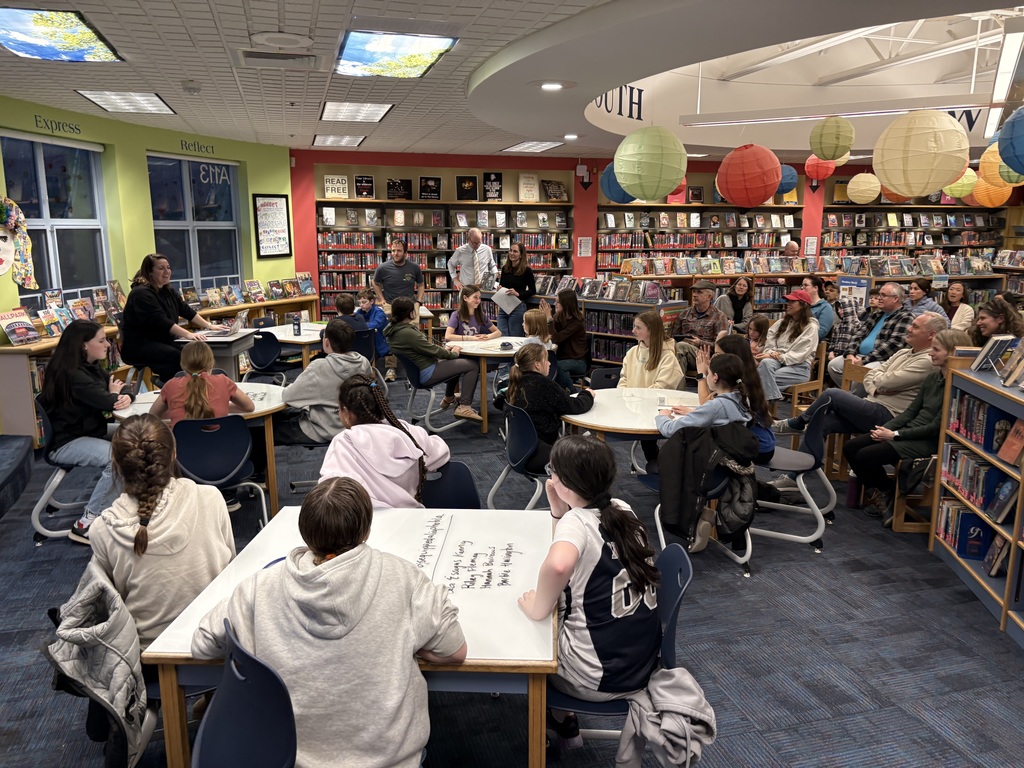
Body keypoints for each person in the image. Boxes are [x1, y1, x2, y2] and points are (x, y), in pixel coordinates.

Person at [192, 477, 467, 768]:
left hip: (291, 757)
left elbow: (202, 645)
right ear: (366, 530)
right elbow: (455, 650)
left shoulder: (258, 588)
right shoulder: (405, 580)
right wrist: (413, 643)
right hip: (388, 760)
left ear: (306, 532)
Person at [517, 436, 659, 749]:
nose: (549, 475)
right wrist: (558, 512)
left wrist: (537, 609)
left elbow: (558, 566)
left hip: (594, 678)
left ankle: (560, 719)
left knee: (530, 635)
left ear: (564, 481)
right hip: (641, 667)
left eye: (552, 470)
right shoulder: (622, 509)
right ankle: (564, 720)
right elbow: (582, 549)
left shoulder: (577, 521)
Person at [88, 413, 235, 648]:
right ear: (174, 453)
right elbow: (230, 569)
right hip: (216, 640)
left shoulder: (101, 530)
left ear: (115, 463)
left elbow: (113, 604)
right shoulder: (210, 498)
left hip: (150, 650)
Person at [771, 312, 949, 490]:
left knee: (832, 393)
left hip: (890, 416)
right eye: (911, 324)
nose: (909, 328)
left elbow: (885, 380)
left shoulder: (927, 361)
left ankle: (797, 423)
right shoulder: (903, 352)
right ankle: (794, 478)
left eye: (916, 326)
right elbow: (870, 375)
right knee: (822, 421)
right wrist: (878, 386)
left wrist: (880, 383)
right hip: (872, 405)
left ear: (931, 335)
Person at [843, 329, 973, 524]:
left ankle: (887, 495)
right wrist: (884, 429)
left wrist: (894, 434)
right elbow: (911, 412)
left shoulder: (957, 386)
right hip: (909, 429)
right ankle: (887, 492)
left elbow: (936, 428)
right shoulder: (934, 377)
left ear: (953, 353)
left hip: (926, 440)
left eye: (936, 350)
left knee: (865, 455)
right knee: (851, 447)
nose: (930, 353)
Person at [38, 320, 134, 544]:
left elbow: (118, 389)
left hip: (88, 430)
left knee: (139, 436)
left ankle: (126, 503)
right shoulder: (73, 375)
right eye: (101, 341)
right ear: (83, 345)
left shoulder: (89, 366)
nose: (108, 345)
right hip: (67, 441)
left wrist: (122, 394)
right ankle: (86, 524)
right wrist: (113, 395)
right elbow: (108, 401)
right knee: (118, 458)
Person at [319, 374, 450, 507]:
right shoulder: (407, 432)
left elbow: (330, 491)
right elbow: (441, 452)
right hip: (412, 517)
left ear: (346, 414)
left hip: (365, 522)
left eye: (338, 410)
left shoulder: (344, 443)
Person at [120, 253, 224, 382]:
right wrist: (188, 334)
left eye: (168, 268)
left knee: (193, 354)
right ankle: (171, 387)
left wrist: (209, 325)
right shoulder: (141, 293)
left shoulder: (167, 290)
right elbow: (160, 321)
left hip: (162, 341)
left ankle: (191, 387)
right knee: (179, 357)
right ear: (150, 272)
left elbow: (185, 310)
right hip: (140, 346)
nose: (166, 272)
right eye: (161, 268)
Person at [272, 319, 372, 444]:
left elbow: (288, 396)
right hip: (355, 423)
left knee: (268, 429)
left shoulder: (319, 367)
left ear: (326, 342)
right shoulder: (364, 362)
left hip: (325, 429)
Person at [384, 296, 482, 421]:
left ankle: (449, 398)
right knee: (472, 365)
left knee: (454, 363)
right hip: (427, 372)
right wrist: (454, 353)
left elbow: (425, 349)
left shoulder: (394, 330)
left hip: (419, 371)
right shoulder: (408, 333)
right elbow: (434, 351)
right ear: (411, 313)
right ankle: (464, 406)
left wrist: (447, 354)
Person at [506, 344, 595, 473]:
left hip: (517, 449)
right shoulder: (543, 384)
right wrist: (587, 394)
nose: (549, 364)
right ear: (537, 364)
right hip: (537, 452)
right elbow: (575, 406)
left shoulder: (516, 382)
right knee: (589, 454)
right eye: (546, 360)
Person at [618, 310, 683, 471]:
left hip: (655, 410)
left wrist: (636, 400)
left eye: (638, 328)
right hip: (632, 408)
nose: (633, 331)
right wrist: (624, 397)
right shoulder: (633, 352)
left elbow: (661, 388)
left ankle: (662, 471)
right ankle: (657, 468)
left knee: (648, 443)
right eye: (634, 326)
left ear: (651, 331)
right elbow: (623, 379)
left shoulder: (667, 356)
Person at [150, 340, 254, 427]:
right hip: (221, 448)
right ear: (211, 363)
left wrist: (178, 409)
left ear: (182, 365)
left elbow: (153, 415)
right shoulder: (223, 381)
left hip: (183, 450)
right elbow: (249, 407)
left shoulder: (171, 385)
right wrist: (223, 405)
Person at [827, 282, 913, 385]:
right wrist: (850, 354)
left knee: (862, 374)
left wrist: (864, 360)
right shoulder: (877, 314)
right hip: (859, 356)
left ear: (895, 299)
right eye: (879, 295)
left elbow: (894, 345)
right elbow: (858, 335)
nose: (879, 298)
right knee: (833, 365)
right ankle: (851, 395)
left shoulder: (905, 317)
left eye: (883, 295)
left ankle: (855, 397)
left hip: (883, 361)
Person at [656, 354, 755, 440]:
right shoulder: (742, 398)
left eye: (708, 373)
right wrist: (695, 412)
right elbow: (718, 415)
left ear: (715, 377)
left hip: (709, 459)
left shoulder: (715, 407)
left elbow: (670, 430)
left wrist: (663, 416)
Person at [712, 335, 776, 464]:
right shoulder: (749, 376)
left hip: (755, 447)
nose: (714, 358)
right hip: (765, 443)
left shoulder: (738, 387)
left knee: (702, 438)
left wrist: (702, 374)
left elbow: (710, 409)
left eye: (718, 354)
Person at [373, 239, 425, 382]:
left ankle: (416, 366)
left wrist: (419, 301)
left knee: (414, 337)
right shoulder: (383, 268)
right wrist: (382, 300)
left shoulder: (414, 268)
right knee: (391, 337)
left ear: (406, 253)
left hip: (410, 306)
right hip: (391, 306)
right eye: (393, 250)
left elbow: (421, 284)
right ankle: (391, 368)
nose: (395, 253)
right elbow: (375, 283)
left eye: (399, 251)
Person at [756, 290, 819, 402]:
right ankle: (769, 402)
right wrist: (771, 353)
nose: (788, 304)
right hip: (777, 361)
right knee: (765, 364)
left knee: (758, 378)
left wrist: (778, 356)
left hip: (798, 367)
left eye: (792, 301)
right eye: (788, 301)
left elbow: (799, 355)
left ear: (803, 305)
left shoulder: (811, 327)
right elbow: (770, 338)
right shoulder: (781, 322)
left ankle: (763, 407)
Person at [671, 280, 729, 378]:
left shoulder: (719, 316)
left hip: (705, 355)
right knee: (674, 349)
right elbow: (673, 335)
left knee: (681, 347)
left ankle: (674, 388)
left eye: (699, 292)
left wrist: (700, 343)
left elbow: (721, 346)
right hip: (682, 351)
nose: (694, 295)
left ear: (709, 297)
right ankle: (675, 387)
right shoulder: (685, 313)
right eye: (694, 292)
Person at [541, 290, 588, 388]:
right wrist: (544, 318)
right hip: (561, 358)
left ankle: (570, 393)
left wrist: (549, 319)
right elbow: (549, 335)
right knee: (543, 364)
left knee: (558, 367)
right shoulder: (558, 317)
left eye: (558, 302)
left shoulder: (577, 323)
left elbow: (555, 339)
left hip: (578, 361)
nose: (555, 304)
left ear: (566, 304)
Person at [496, 242, 536, 338]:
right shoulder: (505, 268)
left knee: (515, 338)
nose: (512, 253)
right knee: (501, 337)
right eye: (510, 250)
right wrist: (500, 288)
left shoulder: (526, 270)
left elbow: (532, 290)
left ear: (521, 255)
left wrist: (518, 294)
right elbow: (502, 285)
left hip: (517, 306)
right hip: (504, 306)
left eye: (515, 251)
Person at [356, 288, 391, 376]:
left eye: (364, 302)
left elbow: (375, 325)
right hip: (366, 341)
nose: (361, 305)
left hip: (380, 342)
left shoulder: (379, 312)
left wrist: (360, 326)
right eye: (359, 303)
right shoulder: (359, 312)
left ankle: (368, 374)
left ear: (372, 301)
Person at [828, 290, 866, 361]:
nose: (839, 311)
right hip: (834, 356)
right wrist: (831, 353)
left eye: (842, 308)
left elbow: (856, 345)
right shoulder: (837, 326)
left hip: (848, 357)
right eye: (838, 309)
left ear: (850, 309)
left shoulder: (858, 326)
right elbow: (833, 342)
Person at [799, 275, 835, 341]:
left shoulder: (825, 307)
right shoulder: (802, 305)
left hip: (809, 344)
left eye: (806, 285)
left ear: (815, 288)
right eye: (802, 285)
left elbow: (822, 332)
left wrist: (801, 340)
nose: (802, 288)